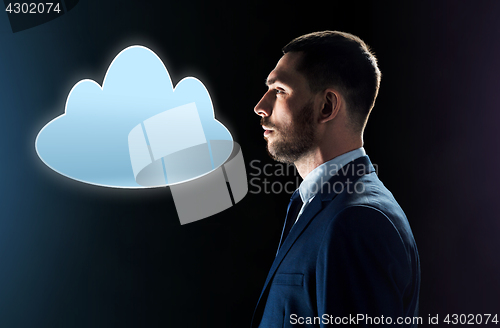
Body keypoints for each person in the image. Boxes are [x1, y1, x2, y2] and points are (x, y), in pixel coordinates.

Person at [251, 31, 420, 327]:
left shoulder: (357, 220)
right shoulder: (318, 204)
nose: (261, 107)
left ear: (327, 106)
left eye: (279, 90)